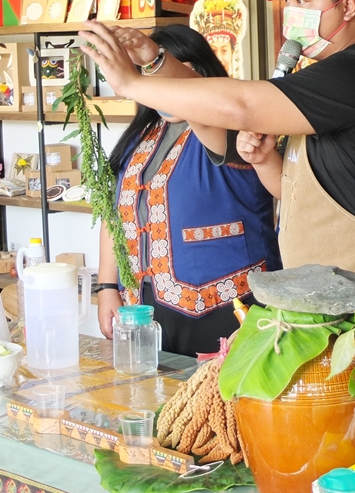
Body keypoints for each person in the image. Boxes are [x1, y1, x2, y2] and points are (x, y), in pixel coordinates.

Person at [81, 0, 355, 297]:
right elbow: (292, 193)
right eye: (289, 2)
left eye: (304, 1)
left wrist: (132, 84)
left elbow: (241, 106)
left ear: (348, 6)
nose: (292, 12)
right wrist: (155, 60)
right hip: (336, 286)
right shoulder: (322, 81)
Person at [95, 25, 280, 357]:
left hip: (228, 308)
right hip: (145, 307)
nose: (164, 86)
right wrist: (107, 285)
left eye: (170, 71)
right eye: (149, 74)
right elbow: (116, 214)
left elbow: (205, 107)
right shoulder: (143, 135)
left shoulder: (232, 128)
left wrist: (154, 61)